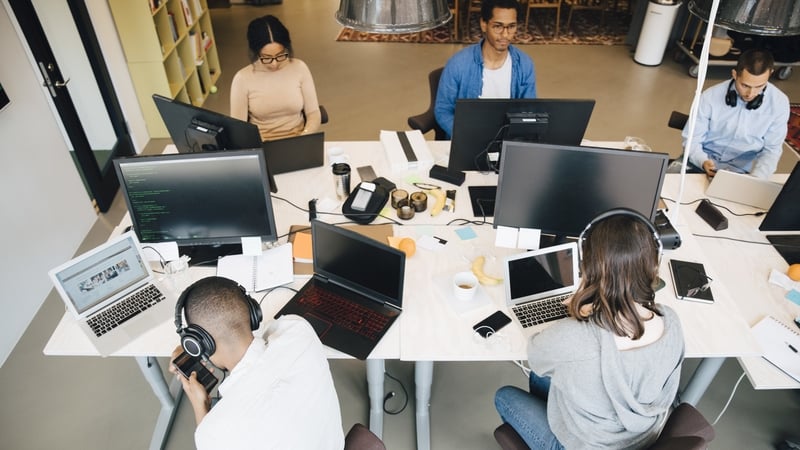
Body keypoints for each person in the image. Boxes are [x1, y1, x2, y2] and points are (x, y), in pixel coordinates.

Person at [494, 210, 685, 449]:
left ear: (586, 266)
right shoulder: (671, 322)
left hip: (581, 445)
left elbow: (536, 355)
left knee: (504, 395)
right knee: (543, 379)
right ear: (654, 264)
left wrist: (577, 312)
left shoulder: (574, 337)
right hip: (640, 437)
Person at [170, 276, 343, 449]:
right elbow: (257, 336)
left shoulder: (213, 433)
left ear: (198, 345)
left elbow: (209, 438)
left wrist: (201, 407)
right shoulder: (298, 329)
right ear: (253, 313)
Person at [434, 0, 537, 139]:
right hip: (467, 140)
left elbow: (528, 112)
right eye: (498, 26)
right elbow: (443, 111)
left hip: (506, 143)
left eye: (511, 26)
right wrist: (466, 136)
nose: (505, 35)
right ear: (484, 24)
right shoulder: (458, 64)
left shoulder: (525, 64)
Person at [682, 48, 790, 179]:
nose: (751, 94)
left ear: (770, 74)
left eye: (759, 86)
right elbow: (692, 139)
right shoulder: (710, 96)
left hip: (741, 171)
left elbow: (772, 150)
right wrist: (702, 160)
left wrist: (756, 178)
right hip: (700, 162)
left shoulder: (779, 103)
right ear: (734, 74)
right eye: (745, 85)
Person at [230, 15, 321, 141]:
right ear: (256, 53)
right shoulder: (242, 79)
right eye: (266, 57)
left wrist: (305, 135)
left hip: (299, 139)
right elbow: (238, 128)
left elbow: (313, 113)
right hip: (262, 143)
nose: (274, 64)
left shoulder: (299, 68)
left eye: (280, 55)